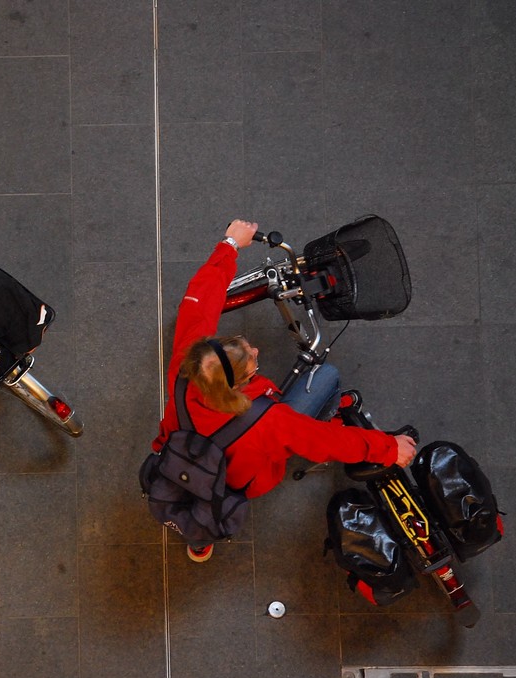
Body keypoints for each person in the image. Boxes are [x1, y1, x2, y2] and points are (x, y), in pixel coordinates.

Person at [153, 219, 416, 563]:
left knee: (204, 505)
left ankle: (200, 537)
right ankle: (203, 529)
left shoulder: (185, 368)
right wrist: (388, 448)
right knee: (326, 376)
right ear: (237, 384)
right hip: (242, 481)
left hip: (179, 460)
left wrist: (230, 245)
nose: (257, 352)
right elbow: (327, 442)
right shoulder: (268, 420)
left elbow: (197, 304)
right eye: (252, 361)